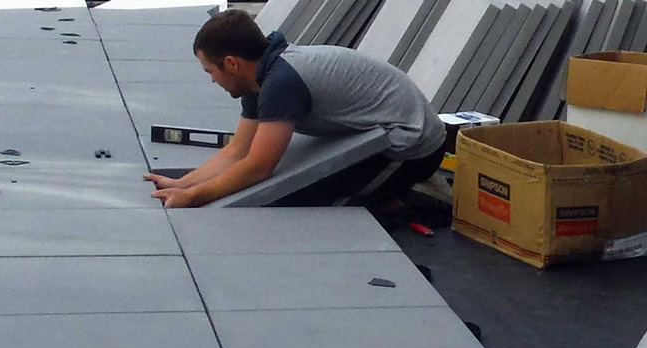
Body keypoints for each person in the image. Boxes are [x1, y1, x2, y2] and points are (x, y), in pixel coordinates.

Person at [145, 9, 447, 210]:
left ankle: (401, 199)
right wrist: (182, 184)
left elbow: (259, 167)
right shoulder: (258, 79)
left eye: (210, 71)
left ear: (232, 63)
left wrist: (194, 197)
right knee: (287, 186)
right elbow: (238, 151)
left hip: (412, 145)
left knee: (310, 201)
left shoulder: (282, 83)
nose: (212, 80)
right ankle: (387, 193)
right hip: (376, 125)